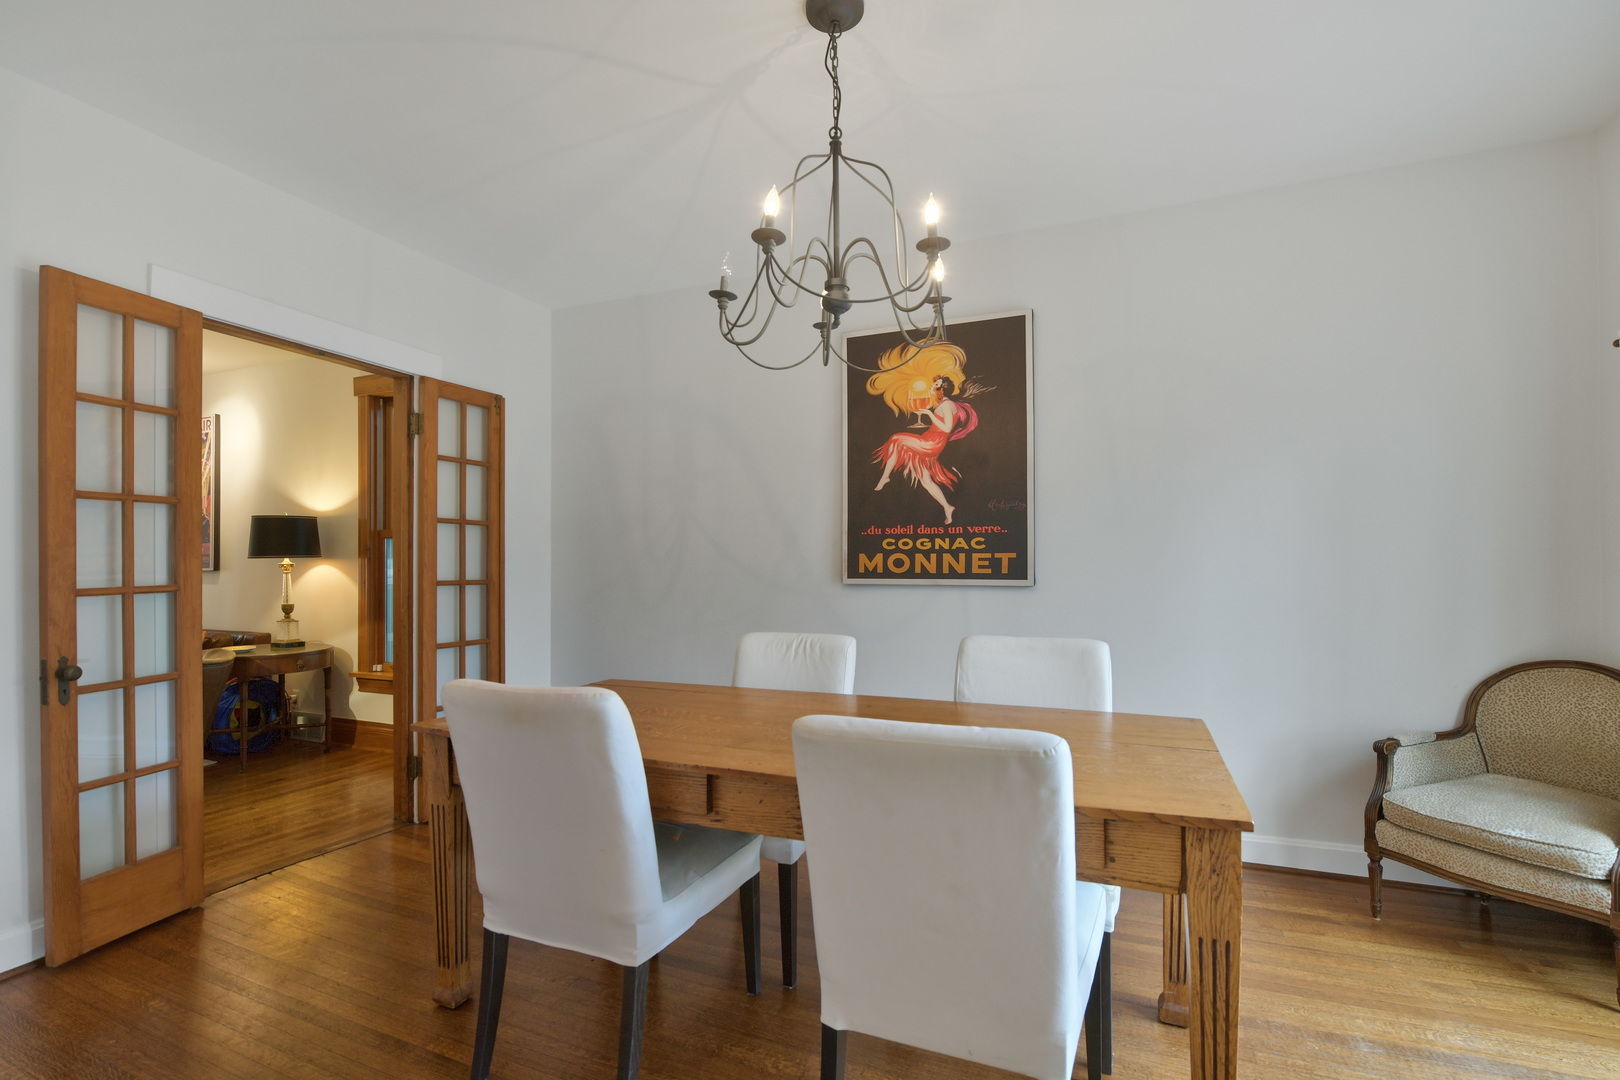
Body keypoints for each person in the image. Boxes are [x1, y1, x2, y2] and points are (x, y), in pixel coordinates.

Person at [868, 340, 978, 524]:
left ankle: (885, 477)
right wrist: (929, 415)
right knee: (926, 481)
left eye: (933, 387)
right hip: (928, 439)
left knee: (896, 439)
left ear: (940, 390)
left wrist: (928, 414)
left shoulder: (948, 404)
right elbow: (940, 425)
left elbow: (945, 429)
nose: (930, 388)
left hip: (932, 444)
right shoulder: (943, 404)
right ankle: (947, 508)